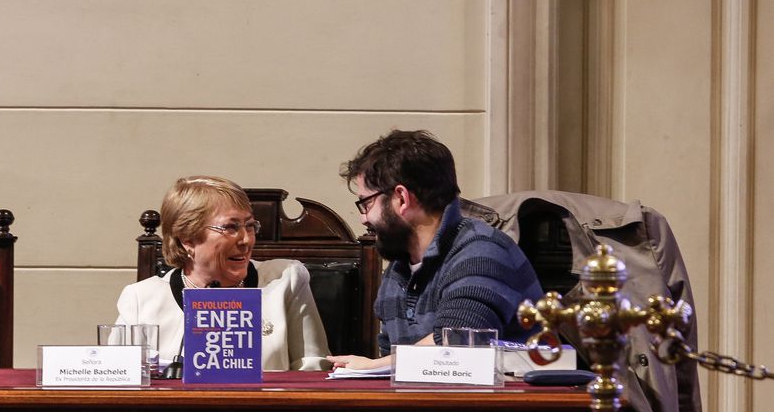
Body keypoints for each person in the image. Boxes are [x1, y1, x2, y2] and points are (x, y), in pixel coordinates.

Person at [327, 130, 543, 371]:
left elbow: (459, 343)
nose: (363, 219)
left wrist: (374, 366)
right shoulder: (398, 269)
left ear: (401, 198)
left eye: (366, 203)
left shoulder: (482, 251)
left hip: (505, 406)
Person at [115, 176, 330, 371]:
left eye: (249, 226)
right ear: (187, 238)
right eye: (231, 227)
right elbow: (118, 377)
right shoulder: (140, 300)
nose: (246, 240)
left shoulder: (285, 280)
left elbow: (313, 370)